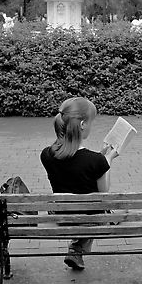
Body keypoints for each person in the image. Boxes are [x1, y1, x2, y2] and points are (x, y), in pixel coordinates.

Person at [40, 97, 118, 270]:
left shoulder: (46, 155)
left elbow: (77, 168)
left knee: (87, 209)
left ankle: (76, 250)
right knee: (101, 211)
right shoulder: (95, 160)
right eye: (91, 122)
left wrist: (100, 159)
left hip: (60, 215)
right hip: (88, 218)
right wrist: (108, 160)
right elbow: (104, 193)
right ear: (82, 125)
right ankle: (76, 248)